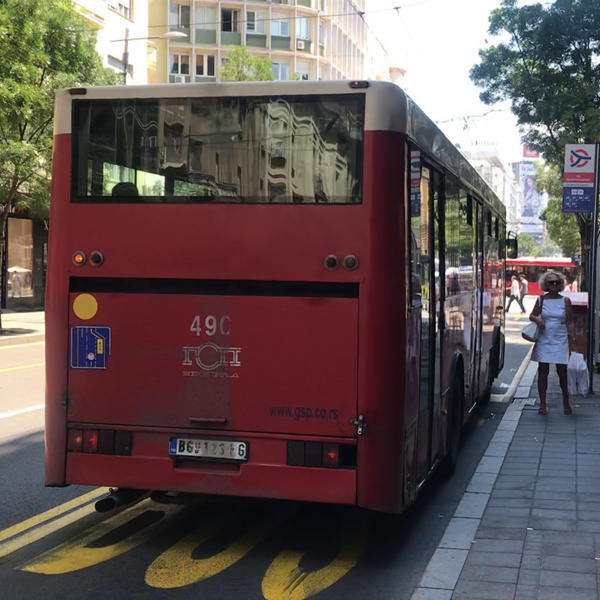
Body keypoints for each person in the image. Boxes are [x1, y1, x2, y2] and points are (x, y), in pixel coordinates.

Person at [529, 271, 575, 415]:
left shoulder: (565, 301)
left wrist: (572, 340)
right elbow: (532, 315)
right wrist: (538, 319)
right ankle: (542, 404)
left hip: (561, 338)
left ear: (561, 284)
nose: (554, 285)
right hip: (544, 338)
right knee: (543, 371)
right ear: (546, 285)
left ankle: (566, 402)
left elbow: (570, 321)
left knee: (562, 372)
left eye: (557, 282)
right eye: (551, 282)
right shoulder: (541, 300)